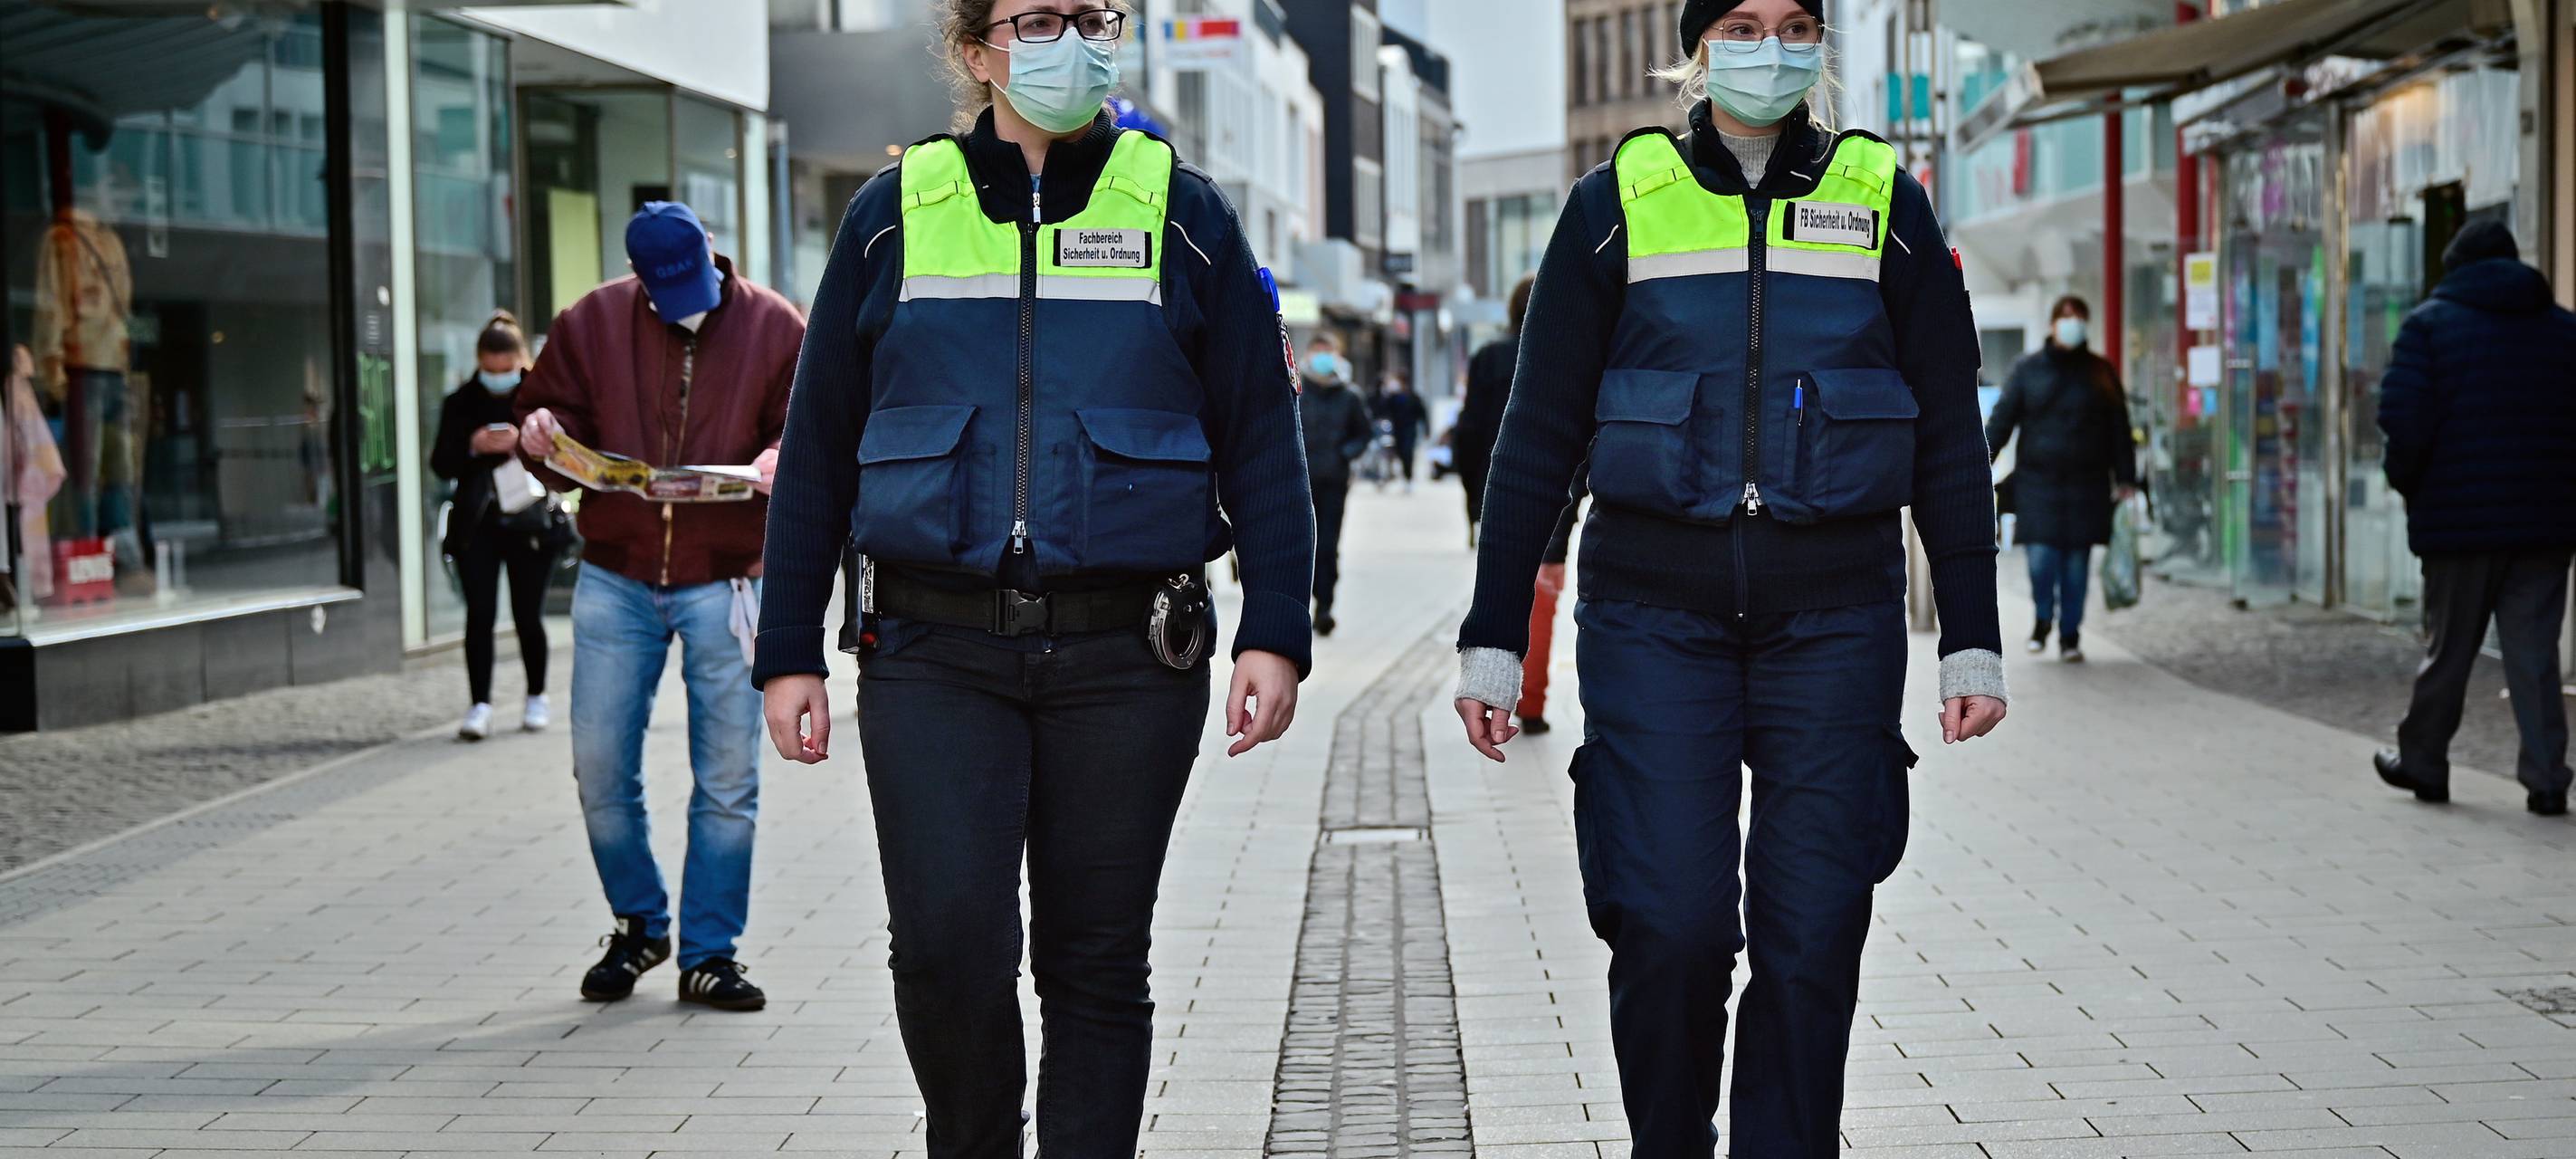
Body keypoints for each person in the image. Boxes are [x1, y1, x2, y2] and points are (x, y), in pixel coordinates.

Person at [750, 2, 1314, 1154]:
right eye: (1041, 19)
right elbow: (816, 445)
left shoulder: (1184, 212)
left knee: (1094, 957)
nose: (1075, 41)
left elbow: (1261, 435)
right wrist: (787, 647)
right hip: (930, 650)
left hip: (1127, 653)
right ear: (976, 51)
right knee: (945, 946)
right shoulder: (893, 213)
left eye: (1092, 16)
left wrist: (1276, 626)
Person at [1449, 1, 2009, 1153]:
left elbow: (1950, 433)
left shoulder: (1883, 202)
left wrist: (1971, 634)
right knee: (1670, 922)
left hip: (1835, 615)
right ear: (1699, 48)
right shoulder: (1616, 202)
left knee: (1813, 934)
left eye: (1795, 23)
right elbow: (1537, 429)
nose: (1771, 47)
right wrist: (1493, 635)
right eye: (1742, 25)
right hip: (1651, 610)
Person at [514, 201, 804, 1011]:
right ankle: (640, 923)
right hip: (617, 575)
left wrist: (784, 457)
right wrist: (541, 437)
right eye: (663, 292)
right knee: (601, 766)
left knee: (728, 778)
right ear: (638, 278)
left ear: (713, 252)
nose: (683, 305)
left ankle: (710, 953)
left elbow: (811, 425)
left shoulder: (776, 327)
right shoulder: (592, 320)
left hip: (728, 577)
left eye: (693, 285)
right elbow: (550, 417)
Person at [2371, 221, 2576, 818]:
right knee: (2534, 655)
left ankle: (2424, 761)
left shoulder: (2429, 327)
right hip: (2545, 523)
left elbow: (2403, 420)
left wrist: (2410, 485)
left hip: (2458, 522)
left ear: (2456, 268)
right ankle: (2547, 779)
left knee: (2450, 649)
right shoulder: (2564, 331)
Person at [429, 312, 564, 741]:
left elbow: (563, 454)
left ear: (520, 360)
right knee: (480, 615)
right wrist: (472, 445)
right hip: (478, 523)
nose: (498, 377)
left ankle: (537, 696)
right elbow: (440, 463)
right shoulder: (460, 402)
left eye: (506, 369)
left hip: (530, 520)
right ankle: (480, 705)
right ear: (479, 361)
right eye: (491, 369)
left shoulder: (539, 396)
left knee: (528, 614)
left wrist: (522, 441)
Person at [1983, 294, 2139, 663]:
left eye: (2078, 317)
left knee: (2075, 566)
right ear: (2053, 324)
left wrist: (2126, 477)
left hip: (2087, 485)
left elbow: (2119, 428)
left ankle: (2070, 635)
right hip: (2038, 485)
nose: (2072, 324)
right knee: (2041, 560)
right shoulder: (2028, 369)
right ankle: (2042, 619)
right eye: (2066, 317)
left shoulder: (2100, 372)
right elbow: (2003, 419)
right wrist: (1980, 460)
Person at [1301, 334, 1374, 637]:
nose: (1322, 356)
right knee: (1302, 545)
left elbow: (1364, 433)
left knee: (1328, 545)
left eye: (1327, 351)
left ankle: (1325, 606)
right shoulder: (1296, 390)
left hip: (1334, 482)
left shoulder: (1349, 396)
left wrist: (1345, 454)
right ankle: (1300, 607)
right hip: (1301, 482)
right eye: (1317, 350)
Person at [1456, 275, 1534, 543]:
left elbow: (1470, 430)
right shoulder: (1568, 357)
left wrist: (1472, 495)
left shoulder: (1490, 357)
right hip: (1552, 487)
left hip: (1496, 481)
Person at [1376, 371, 1429, 491]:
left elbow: (1422, 414)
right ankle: (1402, 476)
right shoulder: (1393, 397)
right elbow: (1383, 409)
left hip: (1410, 430)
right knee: (1399, 453)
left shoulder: (1413, 397)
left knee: (1407, 453)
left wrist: (1427, 430)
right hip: (1397, 431)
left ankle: (1409, 478)